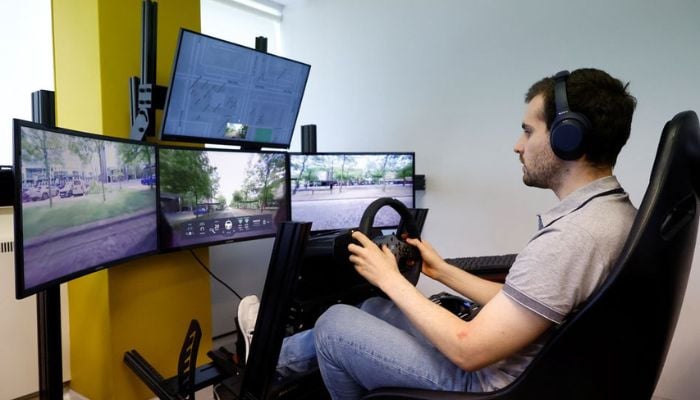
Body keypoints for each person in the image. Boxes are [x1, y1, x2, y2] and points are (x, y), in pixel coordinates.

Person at [273, 68, 638, 399]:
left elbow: (468, 350)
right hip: (523, 368)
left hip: (488, 385)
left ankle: (272, 364)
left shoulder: (572, 238)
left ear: (567, 138)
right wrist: (442, 270)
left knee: (335, 324)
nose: (518, 145)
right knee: (372, 307)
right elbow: (521, 302)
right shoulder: (608, 213)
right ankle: (274, 362)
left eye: (528, 131)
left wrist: (389, 278)